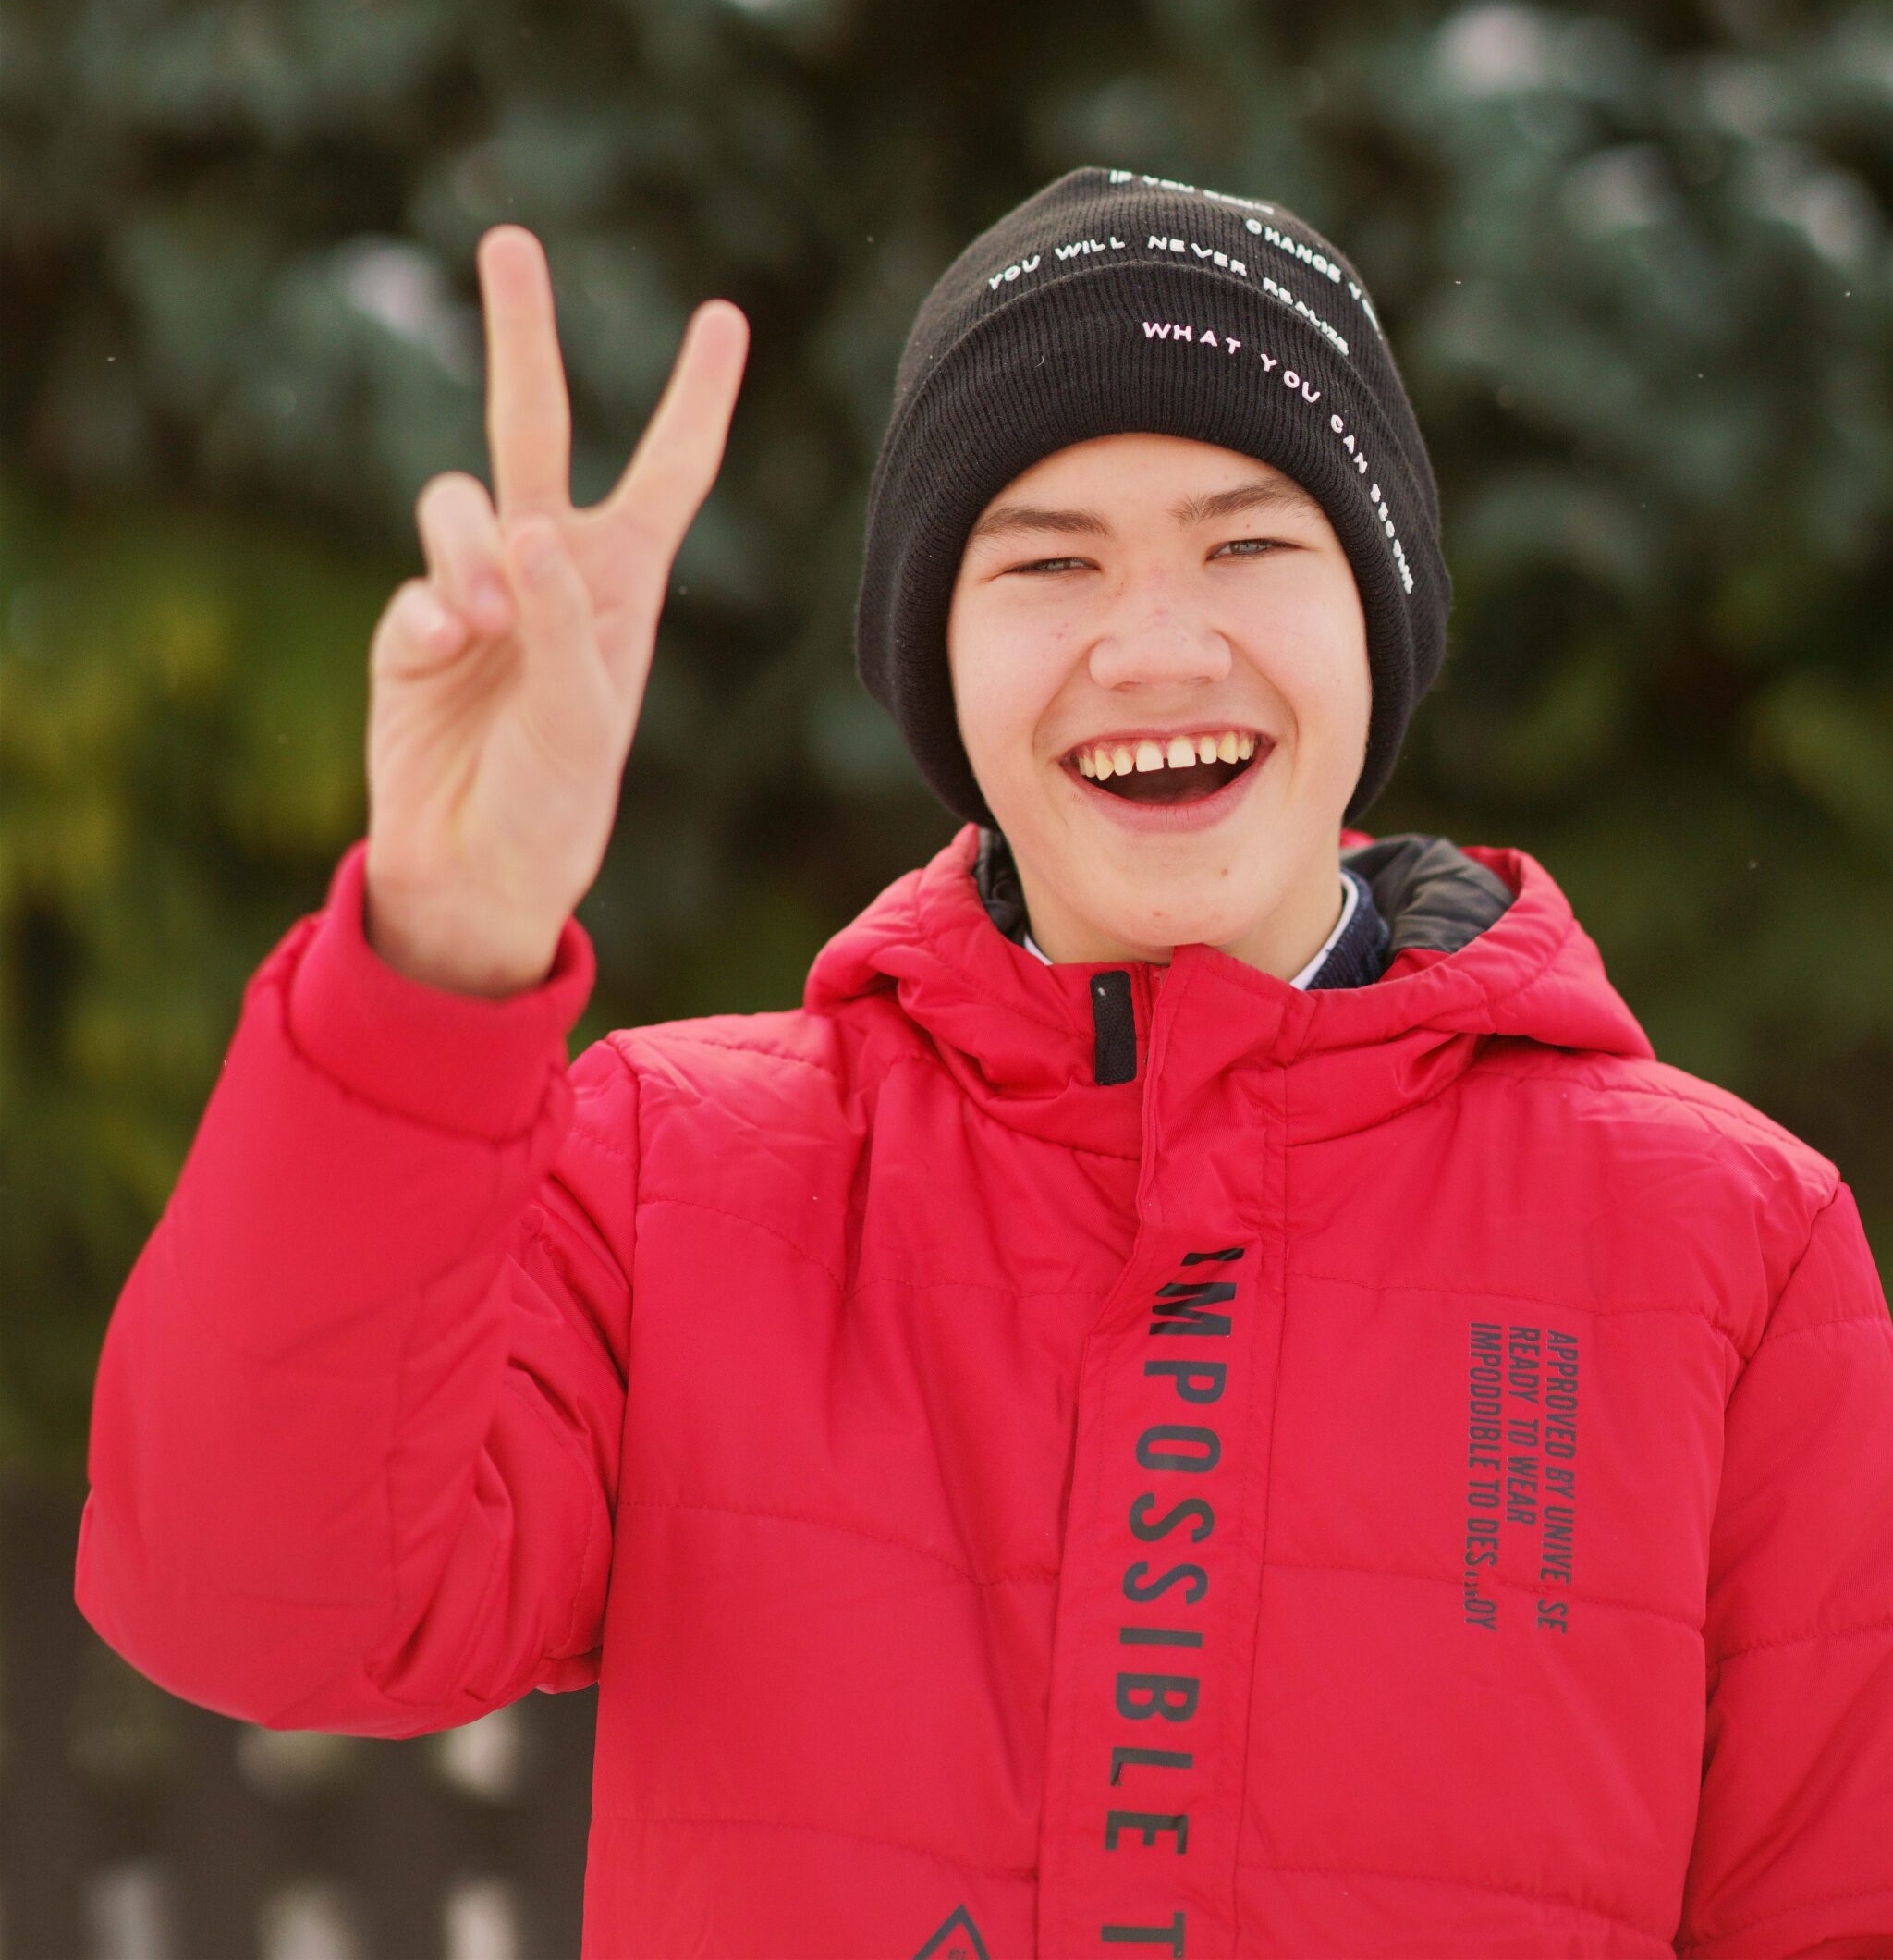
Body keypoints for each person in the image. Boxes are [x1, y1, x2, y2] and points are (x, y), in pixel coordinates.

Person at [77, 168, 1893, 1960]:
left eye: (1249, 543)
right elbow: (252, 1604)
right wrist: (437, 946)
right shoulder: (667, 1178)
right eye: (1047, 562)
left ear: (1380, 622)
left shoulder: (1725, 1245)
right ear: (934, 665)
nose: (1155, 646)